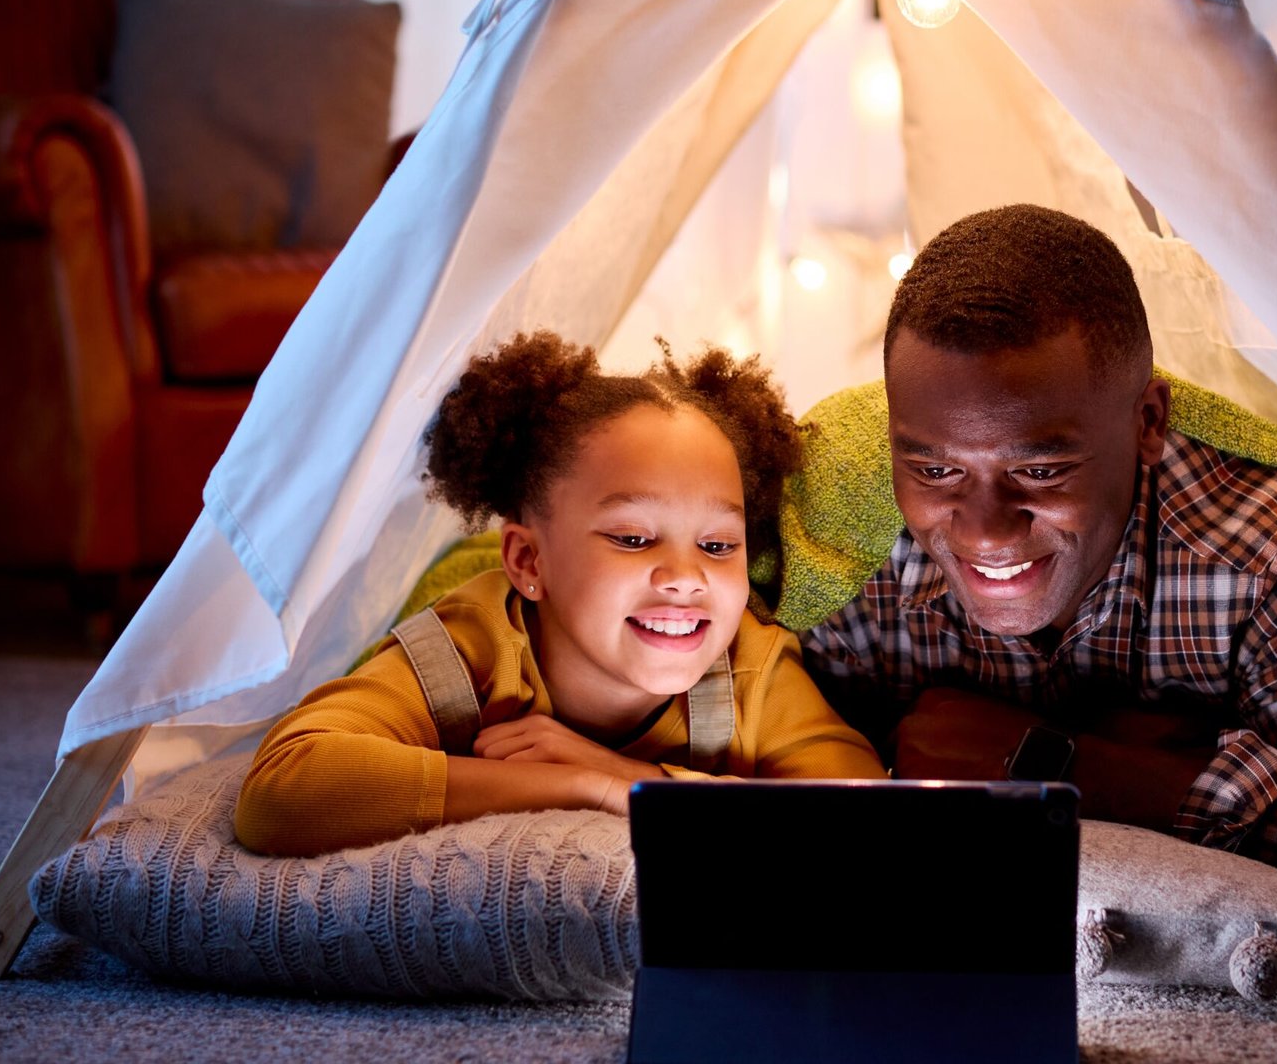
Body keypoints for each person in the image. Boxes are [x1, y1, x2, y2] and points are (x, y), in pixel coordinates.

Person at [801, 205, 1277, 916]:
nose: (987, 532)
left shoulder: (1273, 548)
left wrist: (1064, 761)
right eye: (937, 473)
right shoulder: (846, 554)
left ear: (1148, 425)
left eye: (1040, 470)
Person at [237, 331, 886, 857]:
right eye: (633, 538)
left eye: (718, 546)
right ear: (528, 559)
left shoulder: (750, 665)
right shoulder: (461, 654)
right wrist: (563, 785)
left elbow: (864, 817)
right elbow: (281, 791)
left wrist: (618, 781)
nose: (686, 576)